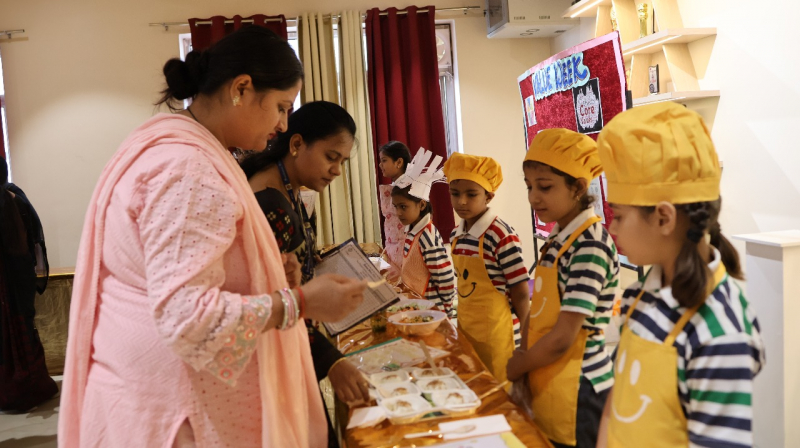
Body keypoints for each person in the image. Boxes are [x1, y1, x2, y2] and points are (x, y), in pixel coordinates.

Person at [58, 27, 367, 448]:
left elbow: (183, 271)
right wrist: (301, 302)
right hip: (175, 411)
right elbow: (187, 318)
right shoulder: (188, 170)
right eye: (280, 107)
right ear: (241, 88)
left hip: (153, 394)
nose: (282, 124)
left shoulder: (185, 150)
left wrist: (267, 274)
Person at [594, 103, 765, 447]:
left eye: (619, 216)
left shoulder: (720, 333)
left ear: (663, 218)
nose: (611, 228)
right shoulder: (639, 295)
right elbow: (617, 403)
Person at [239, 100, 369, 448]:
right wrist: (332, 363)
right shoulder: (272, 205)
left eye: (342, 162)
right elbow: (277, 301)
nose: (336, 170)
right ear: (296, 144)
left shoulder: (288, 190)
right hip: (277, 347)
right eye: (331, 157)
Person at [506, 129, 618, 448]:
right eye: (529, 186)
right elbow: (539, 310)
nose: (533, 197)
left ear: (578, 187)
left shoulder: (590, 244)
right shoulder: (558, 238)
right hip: (548, 374)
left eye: (545, 187)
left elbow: (563, 337)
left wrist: (522, 363)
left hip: (580, 387)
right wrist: (524, 354)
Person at [443, 153, 530, 385]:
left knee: (501, 391)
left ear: (488, 196)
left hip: (499, 336)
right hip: (467, 328)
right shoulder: (455, 235)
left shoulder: (500, 235)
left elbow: (520, 290)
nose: (462, 201)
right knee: (476, 384)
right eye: (455, 193)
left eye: (471, 194)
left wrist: (529, 336)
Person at [0, 157, 58, 413]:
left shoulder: (12, 199)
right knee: (21, 329)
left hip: (10, 282)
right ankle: (32, 386)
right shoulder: (16, 196)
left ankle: (16, 391)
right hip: (18, 279)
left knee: (11, 334)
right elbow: (32, 244)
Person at [389, 148, 456, 315]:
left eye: (403, 207)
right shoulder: (412, 230)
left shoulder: (427, 236)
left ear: (421, 205)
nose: (398, 213)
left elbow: (445, 277)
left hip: (432, 310)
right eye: (396, 207)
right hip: (417, 305)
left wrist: (445, 310)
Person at [377, 141, 412, 268]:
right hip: (392, 243)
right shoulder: (394, 187)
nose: (380, 165)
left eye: (384, 160)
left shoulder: (410, 188)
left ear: (399, 162)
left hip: (406, 244)